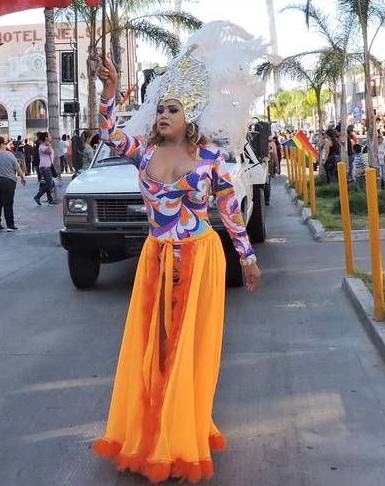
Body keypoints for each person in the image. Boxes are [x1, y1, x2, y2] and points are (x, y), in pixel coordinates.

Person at [92, 23, 263, 482]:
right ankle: (153, 430)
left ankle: (180, 432)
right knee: (155, 347)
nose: (164, 114)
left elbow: (229, 210)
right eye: (161, 108)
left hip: (199, 256)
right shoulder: (143, 154)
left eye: (174, 109)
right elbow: (107, 133)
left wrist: (246, 257)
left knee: (189, 349)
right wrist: (109, 91)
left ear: (193, 119)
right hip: (156, 257)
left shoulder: (211, 161)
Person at [0, 136, 26, 231]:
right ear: (2, 144)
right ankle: (10, 225)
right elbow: (17, 168)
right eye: (5, 143)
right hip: (8, 181)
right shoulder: (9, 155)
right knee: (8, 203)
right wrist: (22, 177)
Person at [33, 132, 57, 206]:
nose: (50, 137)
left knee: (49, 184)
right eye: (49, 136)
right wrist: (49, 145)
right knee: (49, 184)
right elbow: (49, 152)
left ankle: (50, 200)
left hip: (48, 167)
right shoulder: (42, 146)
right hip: (44, 167)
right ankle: (38, 196)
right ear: (46, 138)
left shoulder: (45, 145)